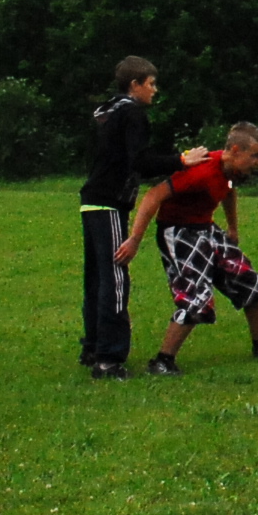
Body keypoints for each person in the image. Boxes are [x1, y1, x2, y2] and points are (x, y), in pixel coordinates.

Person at [120, 121, 258, 375]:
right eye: (255, 155)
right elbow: (153, 196)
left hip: (206, 228)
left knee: (250, 283)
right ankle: (162, 361)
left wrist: (232, 228)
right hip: (179, 232)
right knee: (197, 298)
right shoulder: (201, 171)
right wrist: (134, 239)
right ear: (235, 150)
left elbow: (228, 190)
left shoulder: (229, 171)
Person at [79, 56, 193, 380]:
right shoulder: (132, 113)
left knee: (97, 279)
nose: (154, 90)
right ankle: (108, 359)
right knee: (115, 279)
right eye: (151, 84)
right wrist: (182, 160)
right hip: (109, 203)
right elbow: (140, 162)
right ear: (135, 84)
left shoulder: (109, 110)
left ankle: (92, 347)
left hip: (91, 202)